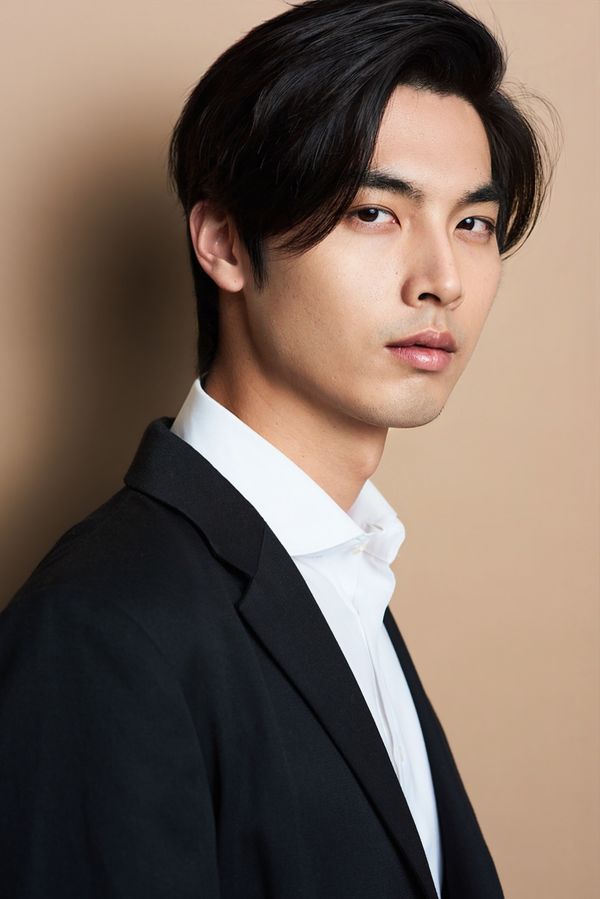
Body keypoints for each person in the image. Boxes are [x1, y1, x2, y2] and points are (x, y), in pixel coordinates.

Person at [0, 1, 554, 897]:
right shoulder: (103, 627)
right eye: (374, 212)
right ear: (223, 242)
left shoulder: (342, 569)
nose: (442, 281)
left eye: (473, 224)